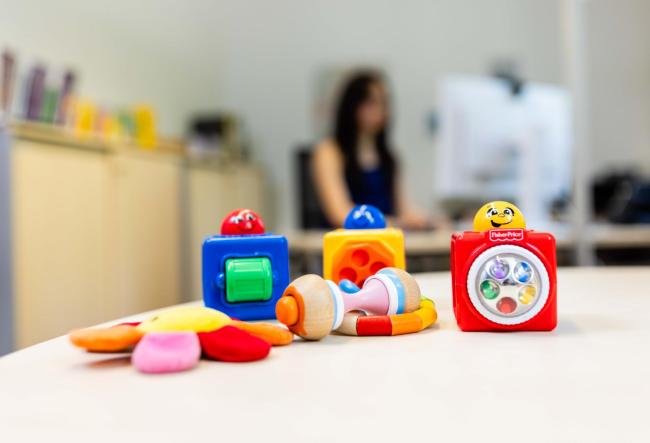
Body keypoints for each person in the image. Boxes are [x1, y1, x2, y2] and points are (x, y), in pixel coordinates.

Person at [312, 70, 431, 229]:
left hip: (386, 239)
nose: (380, 111)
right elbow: (339, 214)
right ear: (353, 106)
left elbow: (404, 209)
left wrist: (425, 221)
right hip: (348, 244)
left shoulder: (388, 157)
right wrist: (397, 223)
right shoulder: (329, 152)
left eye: (384, 103)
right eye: (371, 103)